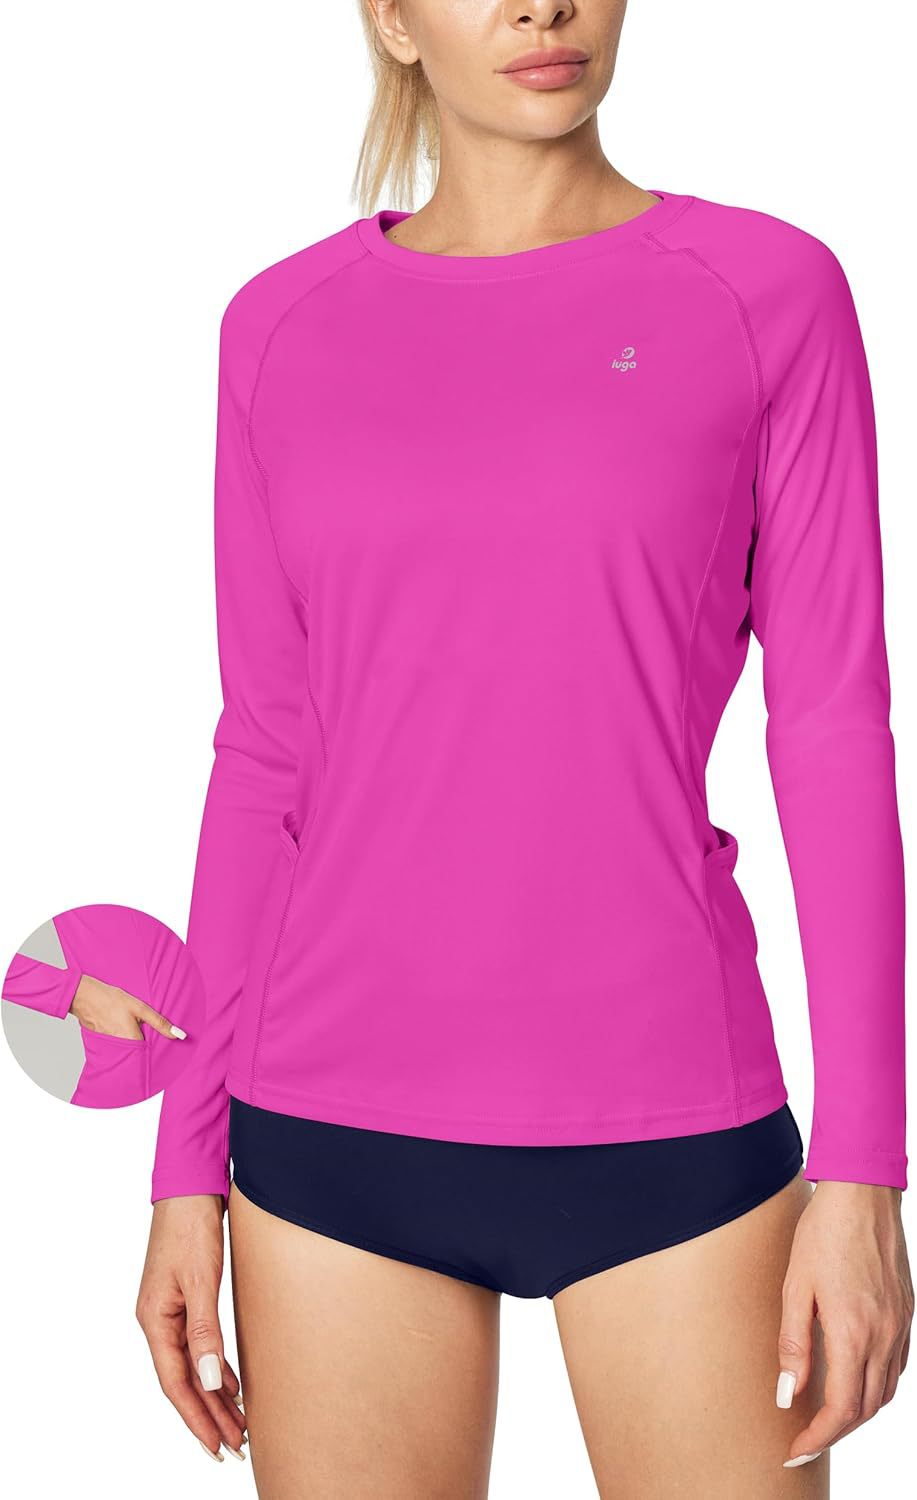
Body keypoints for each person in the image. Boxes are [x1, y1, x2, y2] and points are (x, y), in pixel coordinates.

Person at [136, 2, 913, 1494]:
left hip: (675, 1129)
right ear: (391, 17)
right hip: (328, 1138)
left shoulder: (766, 292)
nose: (541, 4)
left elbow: (831, 733)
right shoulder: (278, 327)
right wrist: (184, 1165)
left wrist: (864, 1170)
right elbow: (263, 759)